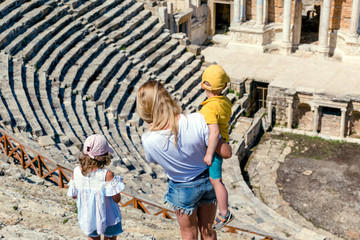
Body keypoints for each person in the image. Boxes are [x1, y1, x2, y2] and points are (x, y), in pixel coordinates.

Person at [137, 80, 232, 240]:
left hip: (181, 187)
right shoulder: (196, 120)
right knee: (208, 230)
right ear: (167, 98)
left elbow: (153, 160)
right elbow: (226, 152)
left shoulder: (148, 139)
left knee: (189, 233)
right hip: (207, 180)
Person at [67, 134, 125, 240]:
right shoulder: (107, 175)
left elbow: (75, 196)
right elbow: (116, 199)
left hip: (89, 217)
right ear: (105, 156)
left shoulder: (76, 172)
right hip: (109, 217)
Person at [199, 64, 235, 230]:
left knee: (216, 180)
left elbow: (213, 133)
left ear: (203, 85)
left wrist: (208, 154)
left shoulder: (209, 108)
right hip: (223, 141)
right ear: (225, 86)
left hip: (215, 150)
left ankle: (224, 212)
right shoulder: (225, 101)